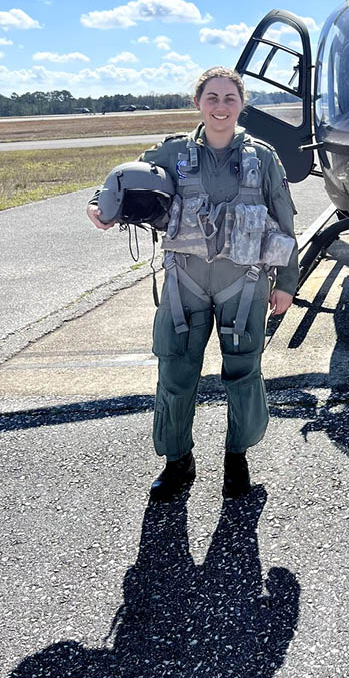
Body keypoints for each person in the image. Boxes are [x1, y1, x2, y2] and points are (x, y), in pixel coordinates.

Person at [88, 67, 297, 502]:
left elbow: (283, 219)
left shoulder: (263, 158)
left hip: (246, 281)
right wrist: (98, 207)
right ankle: (177, 461)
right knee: (175, 373)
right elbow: (122, 181)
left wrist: (287, 282)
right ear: (198, 103)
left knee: (243, 373)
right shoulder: (171, 153)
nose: (221, 107)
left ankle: (237, 458)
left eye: (229, 98)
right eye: (212, 98)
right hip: (185, 281)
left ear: (242, 104)